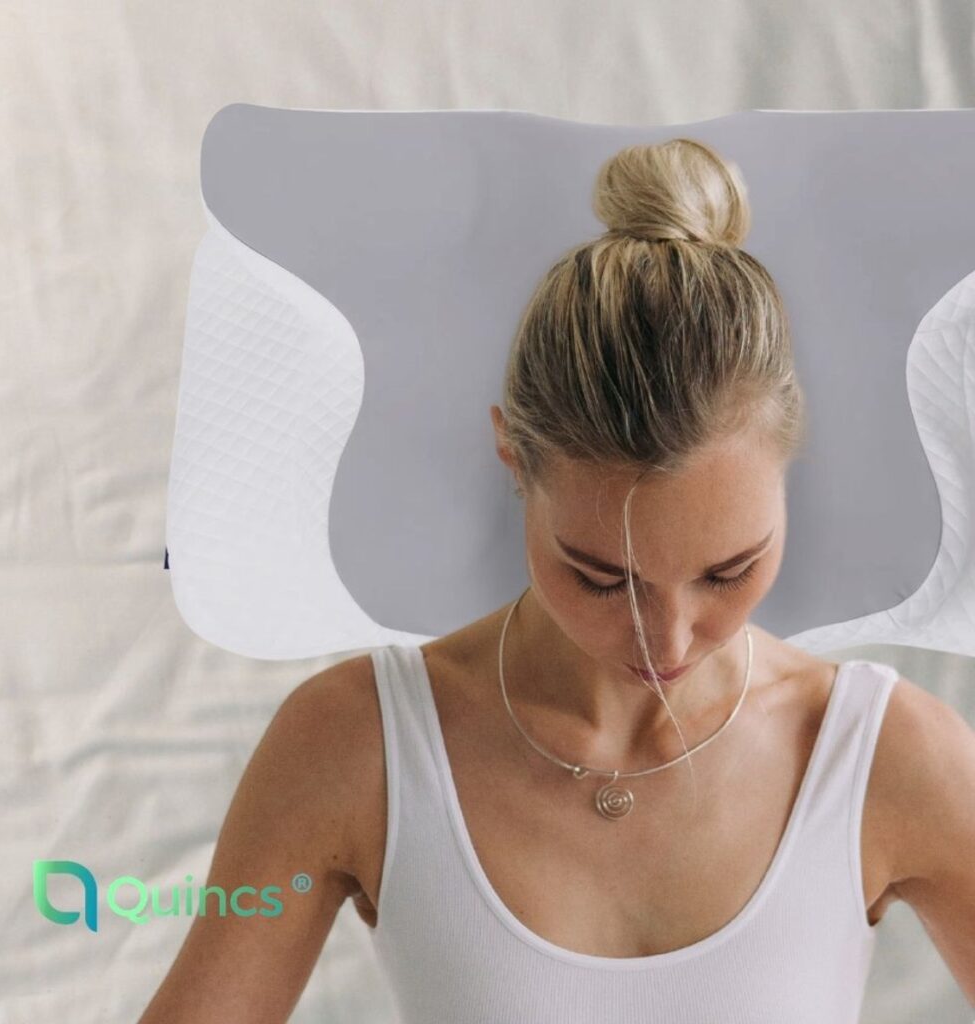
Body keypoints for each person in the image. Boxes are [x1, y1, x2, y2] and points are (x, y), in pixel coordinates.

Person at [137, 138, 975, 1022]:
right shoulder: (357, 745)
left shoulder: (887, 754)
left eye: (729, 571)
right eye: (603, 578)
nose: (669, 639)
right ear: (512, 455)